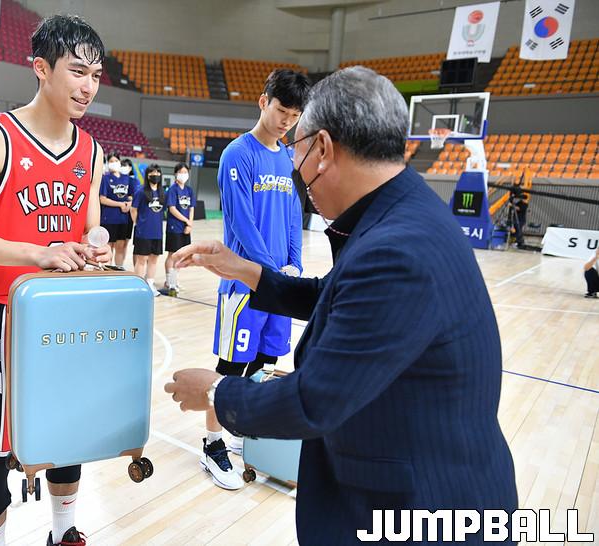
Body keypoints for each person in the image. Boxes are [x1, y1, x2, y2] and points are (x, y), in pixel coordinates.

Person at [165, 66, 518, 545]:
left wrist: (215, 392)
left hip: (419, 510)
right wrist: (247, 270)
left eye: (297, 147)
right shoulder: (402, 210)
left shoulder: (397, 251)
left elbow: (312, 401)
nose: (295, 167)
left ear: (323, 148)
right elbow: (335, 296)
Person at [0, 14, 110, 546]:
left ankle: (64, 531)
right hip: (4, 317)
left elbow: (89, 223)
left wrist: (97, 239)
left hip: (65, 317)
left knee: (69, 437)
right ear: (41, 68)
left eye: (96, 76)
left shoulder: (91, 151)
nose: (88, 87)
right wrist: (38, 253)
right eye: (77, 71)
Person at [200, 68, 308, 490]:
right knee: (230, 368)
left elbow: (294, 217)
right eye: (282, 111)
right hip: (244, 284)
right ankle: (212, 444)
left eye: (294, 116)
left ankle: (242, 430)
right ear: (264, 102)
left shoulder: (287, 158)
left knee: (264, 365)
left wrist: (294, 265)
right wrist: (269, 271)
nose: (286, 122)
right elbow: (241, 222)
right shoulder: (238, 154)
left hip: (279, 284)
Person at [131, 164, 165, 296]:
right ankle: (137, 286)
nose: (155, 175)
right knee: (141, 259)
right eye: (152, 172)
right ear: (147, 175)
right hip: (144, 231)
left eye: (158, 172)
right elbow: (133, 209)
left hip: (157, 232)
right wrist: (139, 223)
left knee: (154, 259)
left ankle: (150, 284)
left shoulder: (162, 192)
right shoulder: (141, 192)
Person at [163, 162, 195, 294]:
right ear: (176, 174)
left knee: (181, 255)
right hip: (174, 227)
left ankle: (175, 280)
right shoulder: (172, 190)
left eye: (185, 172)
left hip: (185, 227)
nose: (183, 174)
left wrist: (190, 224)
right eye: (181, 172)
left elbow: (191, 208)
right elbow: (172, 209)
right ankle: (169, 282)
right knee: (172, 254)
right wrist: (186, 221)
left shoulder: (189, 190)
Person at [99, 153, 136, 266]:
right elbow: (102, 199)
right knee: (108, 247)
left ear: (120, 162)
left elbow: (132, 196)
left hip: (123, 219)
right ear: (108, 164)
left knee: (120, 247)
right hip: (109, 218)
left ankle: (119, 269)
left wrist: (129, 204)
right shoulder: (105, 178)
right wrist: (120, 204)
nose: (114, 163)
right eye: (111, 161)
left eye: (116, 161)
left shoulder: (127, 179)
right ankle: (107, 270)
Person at [509, 171, 530, 247]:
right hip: (516, 218)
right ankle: (515, 241)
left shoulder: (525, 204)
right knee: (515, 230)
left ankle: (519, 242)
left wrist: (512, 206)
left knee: (519, 231)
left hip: (521, 220)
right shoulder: (519, 202)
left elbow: (518, 209)